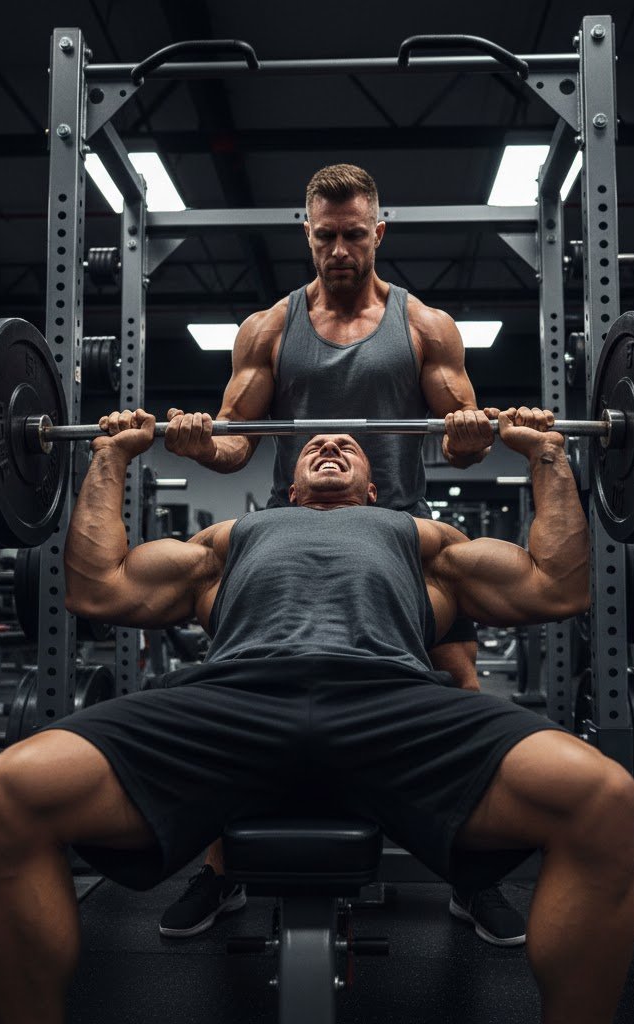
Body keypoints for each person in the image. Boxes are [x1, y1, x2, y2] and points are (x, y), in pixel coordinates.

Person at [0, 408, 634, 1024]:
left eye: (347, 444)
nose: (330, 444)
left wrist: (547, 454)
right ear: (289, 488)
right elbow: (96, 588)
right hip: (233, 698)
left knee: (601, 796)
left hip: (390, 700)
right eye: (315, 443)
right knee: (3, 796)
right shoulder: (232, 536)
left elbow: (557, 587)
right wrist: (110, 456)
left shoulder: (419, 536)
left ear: (373, 491)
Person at [161, 162, 509, 939]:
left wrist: (470, 434)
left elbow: (463, 448)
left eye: (355, 235)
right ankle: (221, 871)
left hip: (403, 531)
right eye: (326, 237)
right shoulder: (267, 328)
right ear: (307, 233)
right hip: (292, 531)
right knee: (237, 686)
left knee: (460, 685)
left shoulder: (426, 326)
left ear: (380, 231)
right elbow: (235, 446)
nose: (340, 251)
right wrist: (197, 444)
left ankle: (472, 873)